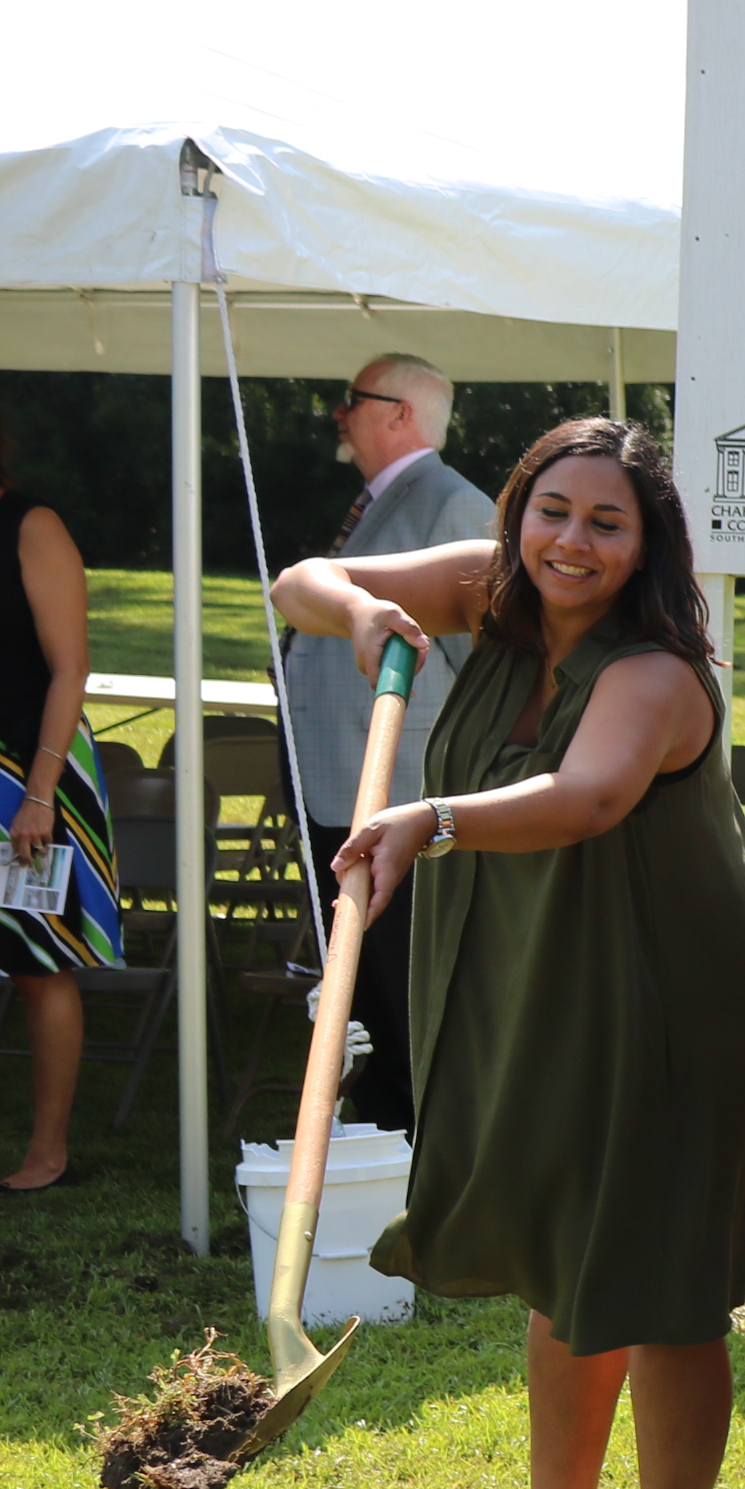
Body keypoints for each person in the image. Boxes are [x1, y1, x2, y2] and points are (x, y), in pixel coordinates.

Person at [272, 419, 745, 1489]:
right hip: (549, 965)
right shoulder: (484, 591)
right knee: (565, 1251)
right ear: (517, 514)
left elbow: (589, 795)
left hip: (680, 991)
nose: (572, 541)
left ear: (647, 544)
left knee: (662, 1285)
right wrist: (360, 613)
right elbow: (298, 581)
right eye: (553, 511)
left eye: (607, 523)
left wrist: (431, 819)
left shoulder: (658, 672)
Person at [281, 353, 497, 1139]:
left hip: (404, 803)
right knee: (364, 995)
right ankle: (383, 1141)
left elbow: (489, 673)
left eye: (353, 400)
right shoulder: (387, 499)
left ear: (401, 414)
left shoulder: (455, 505)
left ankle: (421, 1147)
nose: (338, 413)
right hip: (344, 794)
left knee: (404, 997)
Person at [0, 381, 119, 1197]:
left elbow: (72, 669)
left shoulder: (31, 527)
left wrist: (39, 792)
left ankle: (48, 1156)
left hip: (27, 777)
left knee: (39, 963)